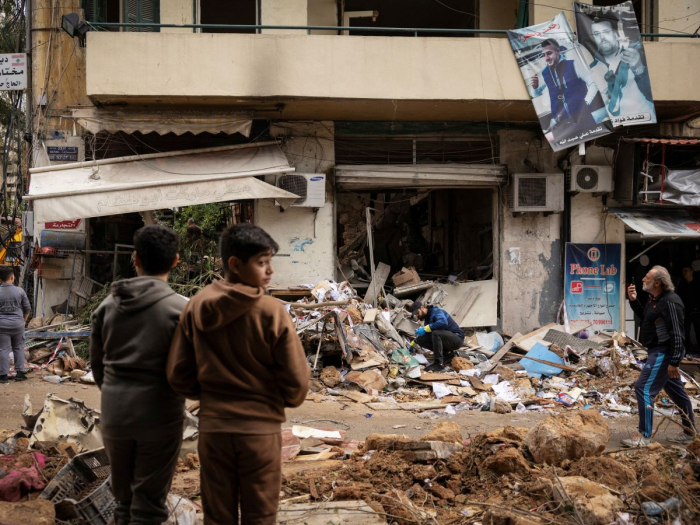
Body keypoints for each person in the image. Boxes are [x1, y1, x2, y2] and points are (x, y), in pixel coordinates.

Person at [167, 224, 310, 525]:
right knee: (260, 516)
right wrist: (270, 399)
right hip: (260, 433)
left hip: (214, 430)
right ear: (235, 264)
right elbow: (297, 387)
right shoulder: (272, 312)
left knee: (218, 516)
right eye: (261, 262)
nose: (270, 270)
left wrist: (211, 394)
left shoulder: (195, 306)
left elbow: (179, 375)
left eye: (270, 261)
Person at [90, 225, 187, 525]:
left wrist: (119, 391)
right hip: (160, 414)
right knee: (150, 506)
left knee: (124, 502)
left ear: (135, 259)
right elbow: (187, 372)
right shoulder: (181, 309)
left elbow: (98, 369)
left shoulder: (106, 307)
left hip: (115, 411)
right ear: (175, 261)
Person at [623, 265, 697, 447]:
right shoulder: (655, 300)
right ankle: (690, 432)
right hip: (658, 352)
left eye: (647, 278)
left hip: (664, 353)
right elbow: (646, 316)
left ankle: (644, 435)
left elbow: (678, 334)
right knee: (677, 393)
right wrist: (633, 301)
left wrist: (674, 361)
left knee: (644, 388)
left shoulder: (670, 302)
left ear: (657, 283)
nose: (643, 280)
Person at [529, 38, 599, 138]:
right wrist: (534, 87)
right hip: (562, 123)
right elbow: (536, 94)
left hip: (583, 116)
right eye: (543, 55)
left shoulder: (573, 64)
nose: (546, 58)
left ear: (558, 51)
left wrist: (586, 102)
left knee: (590, 142)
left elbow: (593, 84)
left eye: (549, 53)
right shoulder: (545, 73)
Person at [588, 19, 655, 120]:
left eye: (606, 32)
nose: (602, 37)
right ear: (593, 39)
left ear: (615, 34)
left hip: (642, 122)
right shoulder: (589, 68)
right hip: (612, 128)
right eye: (597, 34)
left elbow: (653, 94)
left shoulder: (637, 56)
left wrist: (639, 68)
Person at [409, 300, 464, 372]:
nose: (417, 316)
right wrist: (416, 341)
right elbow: (430, 336)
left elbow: (443, 323)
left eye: (417, 313)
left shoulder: (436, 311)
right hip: (447, 341)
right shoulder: (427, 320)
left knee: (436, 333)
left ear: (422, 308)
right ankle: (447, 354)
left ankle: (438, 364)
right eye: (415, 315)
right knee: (421, 339)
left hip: (457, 339)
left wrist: (426, 328)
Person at [0, 265, 30, 383]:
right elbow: (27, 308)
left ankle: (3, 376)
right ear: (12, 277)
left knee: (3, 349)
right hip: (18, 324)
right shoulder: (20, 291)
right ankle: (20, 373)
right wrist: (24, 320)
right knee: (18, 348)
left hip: (2, 325)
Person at [677, 266, 700, 351]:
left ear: (691, 272)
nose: (684, 273)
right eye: (683, 271)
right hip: (686, 311)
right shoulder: (682, 284)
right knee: (685, 332)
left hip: (697, 311)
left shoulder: (697, 283)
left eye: (686, 271)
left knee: (698, 331)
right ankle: (687, 351)